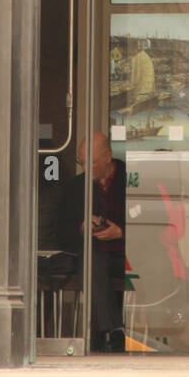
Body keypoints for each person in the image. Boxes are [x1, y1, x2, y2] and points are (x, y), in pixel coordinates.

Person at [52, 131, 126, 352]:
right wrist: (82, 228)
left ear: (108, 157)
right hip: (96, 256)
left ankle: (113, 331)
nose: (86, 168)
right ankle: (115, 331)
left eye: (91, 162)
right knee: (91, 259)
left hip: (129, 254)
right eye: (82, 162)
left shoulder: (130, 178)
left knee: (96, 265)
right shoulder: (75, 187)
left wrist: (120, 233)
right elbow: (61, 233)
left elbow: (152, 223)